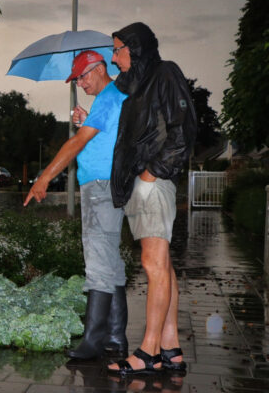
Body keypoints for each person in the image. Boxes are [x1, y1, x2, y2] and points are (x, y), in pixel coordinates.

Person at [24, 49, 128, 360]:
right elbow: (105, 137)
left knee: (97, 261)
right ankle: (115, 337)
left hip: (100, 186)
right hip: (110, 185)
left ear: (99, 69)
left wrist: (43, 178)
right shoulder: (112, 97)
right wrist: (88, 121)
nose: (79, 83)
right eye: (76, 79)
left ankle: (93, 341)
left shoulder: (109, 96)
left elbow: (76, 143)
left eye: (82, 76)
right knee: (111, 262)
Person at [106, 22, 197, 375]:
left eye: (117, 50)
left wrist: (152, 173)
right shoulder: (136, 87)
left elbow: (183, 129)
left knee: (153, 265)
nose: (114, 58)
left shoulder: (165, 73)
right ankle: (171, 347)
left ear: (135, 47)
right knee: (163, 265)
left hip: (153, 183)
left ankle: (148, 352)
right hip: (142, 184)